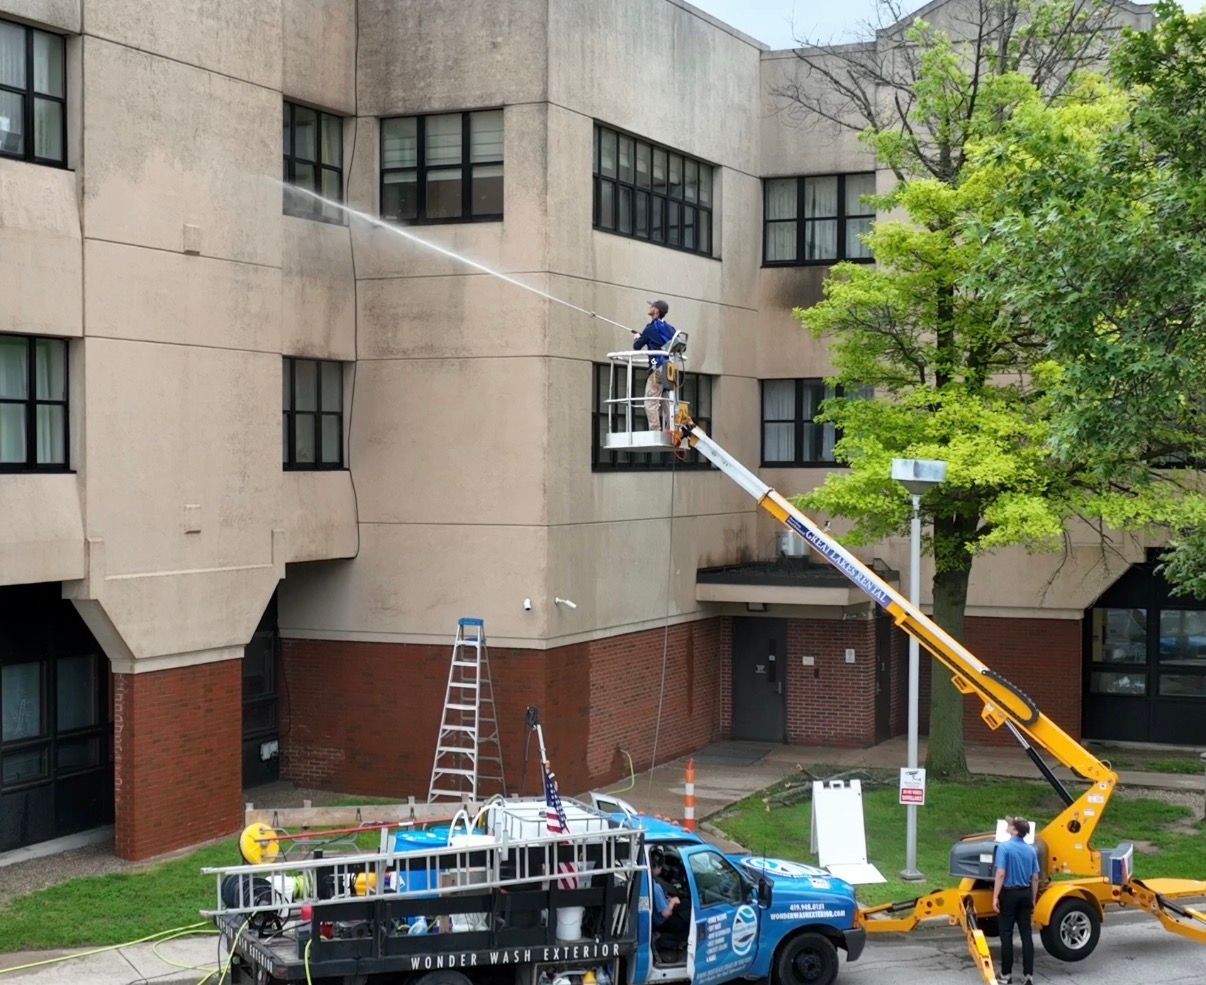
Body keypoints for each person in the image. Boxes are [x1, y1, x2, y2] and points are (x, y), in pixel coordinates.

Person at [993, 816, 1041, 985]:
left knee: (1006, 934)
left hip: (1009, 894)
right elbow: (1035, 878)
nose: (1007, 825)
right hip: (1026, 894)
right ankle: (1029, 975)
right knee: (1026, 935)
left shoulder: (1004, 848)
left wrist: (995, 897)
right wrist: (1033, 898)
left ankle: (1006, 974)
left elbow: (1000, 874)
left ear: (1015, 830)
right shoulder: (1031, 850)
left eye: (1010, 824)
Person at [632, 300, 676, 430]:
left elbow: (637, 346)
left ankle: (655, 429)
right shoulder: (671, 329)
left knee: (651, 401)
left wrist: (637, 337)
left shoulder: (650, 328)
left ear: (656, 311)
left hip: (657, 367)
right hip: (670, 368)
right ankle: (672, 428)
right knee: (667, 400)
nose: (650, 308)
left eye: (652, 306)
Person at [649, 848, 688, 940]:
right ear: (655, 867)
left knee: (685, 902)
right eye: (660, 866)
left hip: (655, 918)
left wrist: (668, 900)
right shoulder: (656, 887)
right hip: (662, 922)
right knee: (688, 919)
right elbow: (666, 913)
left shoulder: (649, 881)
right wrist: (673, 901)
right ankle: (667, 941)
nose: (662, 869)